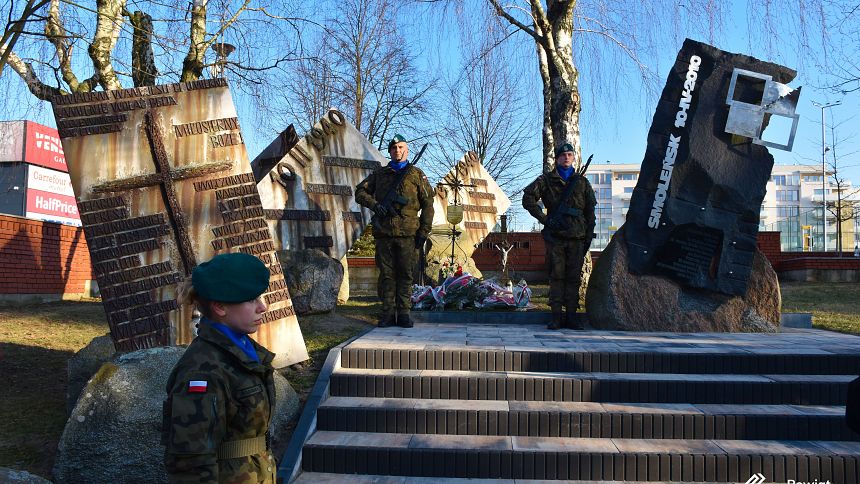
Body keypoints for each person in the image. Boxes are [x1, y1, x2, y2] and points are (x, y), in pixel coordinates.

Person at [162, 252, 277, 483]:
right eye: (251, 299)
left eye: (260, 297)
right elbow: (191, 462)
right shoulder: (202, 370)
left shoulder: (242, 352)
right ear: (220, 307)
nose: (262, 307)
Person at [355, 134, 434, 328]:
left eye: (400, 147)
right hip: (384, 233)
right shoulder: (380, 174)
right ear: (389, 151)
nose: (397, 150)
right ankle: (388, 314)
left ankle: (404, 313)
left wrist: (424, 231)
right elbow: (360, 192)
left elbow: (428, 204)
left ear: (406, 150)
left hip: (409, 234)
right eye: (393, 148)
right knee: (387, 276)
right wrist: (375, 205)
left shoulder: (416, 174)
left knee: (406, 275)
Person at [522, 142, 596, 330]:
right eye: (563, 155)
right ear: (556, 159)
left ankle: (571, 316)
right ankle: (556, 317)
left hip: (577, 237)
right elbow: (528, 199)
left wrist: (588, 236)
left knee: (573, 278)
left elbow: (590, 212)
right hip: (556, 236)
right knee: (556, 276)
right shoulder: (546, 180)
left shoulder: (582, 182)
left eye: (570, 155)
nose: (566, 158)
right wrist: (545, 220)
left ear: (573, 158)